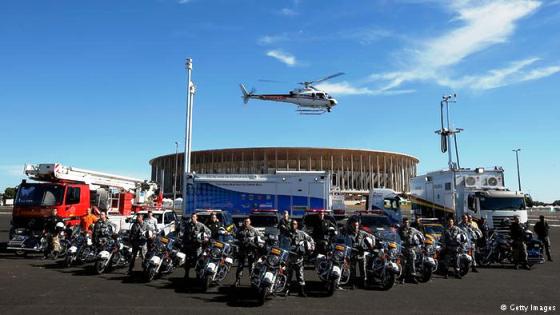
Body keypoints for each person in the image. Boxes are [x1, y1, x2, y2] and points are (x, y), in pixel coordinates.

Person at [286, 219, 314, 297]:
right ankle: (286, 291)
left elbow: (310, 240)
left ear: (297, 225)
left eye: (294, 224)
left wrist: (311, 250)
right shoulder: (286, 233)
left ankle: (301, 292)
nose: (293, 225)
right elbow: (280, 242)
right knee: (288, 276)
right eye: (292, 224)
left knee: (300, 276)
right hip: (289, 259)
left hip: (299, 259)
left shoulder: (301, 233)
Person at [345, 219, 375, 288]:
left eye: (357, 225)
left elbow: (372, 236)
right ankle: (352, 284)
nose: (356, 227)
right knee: (353, 270)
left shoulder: (362, 233)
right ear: (352, 226)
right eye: (354, 225)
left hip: (361, 253)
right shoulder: (349, 234)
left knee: (363, 270)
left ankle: (363, 284)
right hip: (353, 254)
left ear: (358, 226)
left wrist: (372, 246)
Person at [234, 217, 262, 287]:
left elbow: (261, 236)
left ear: (250, 222)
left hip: (251, 250)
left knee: (251, 267)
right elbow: (235, 237)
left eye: (247, 221)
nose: (246, 223)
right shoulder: (240, 229)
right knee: (240, 266)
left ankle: (252, 282)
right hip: (242, 250)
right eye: (245, 221)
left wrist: (256, 241)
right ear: (244, 222)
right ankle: (237, 281)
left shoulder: (253, 230)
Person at [182, 213, 211, 281]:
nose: (192, 218)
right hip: (189, 246)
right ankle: (186, 274)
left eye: (194, 217)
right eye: (192, 217)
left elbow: (209, 232)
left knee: (198, 261)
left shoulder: (200, 225)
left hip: (197, 246)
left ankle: (198, 276)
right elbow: (185, 235)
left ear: (196, 218)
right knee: (187, 261)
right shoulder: (188, 225)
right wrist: (183, 243)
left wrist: (206, 238)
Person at [398, 217, 422, 283]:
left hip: (410, 248)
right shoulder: (400, 229)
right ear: (403, 223)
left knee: (412, 262)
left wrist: (421, 240)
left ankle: (412, 277)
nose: (406, 224)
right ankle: (402, 277)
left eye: (407, 222)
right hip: (402, 248)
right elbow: (396, 237)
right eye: (405, 222)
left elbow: (420, 234)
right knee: (403, 263)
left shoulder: (412, 229)